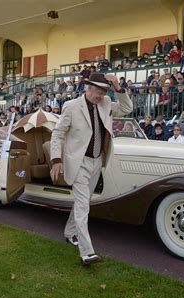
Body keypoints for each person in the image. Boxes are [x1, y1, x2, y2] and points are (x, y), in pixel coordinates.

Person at [50, 73, 133, 266]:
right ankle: (86, 252)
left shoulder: (105, 103)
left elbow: (127, 108)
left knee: (84, 200)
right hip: (78, 162)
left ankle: (70, 233)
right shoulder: (71, 106)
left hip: (98, 160)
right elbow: (58, 134)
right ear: (88, 88)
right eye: (99, 90)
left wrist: (118, 89)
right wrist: (56, 160)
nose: (102, 95)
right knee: (83, 205)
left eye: (105, 91)